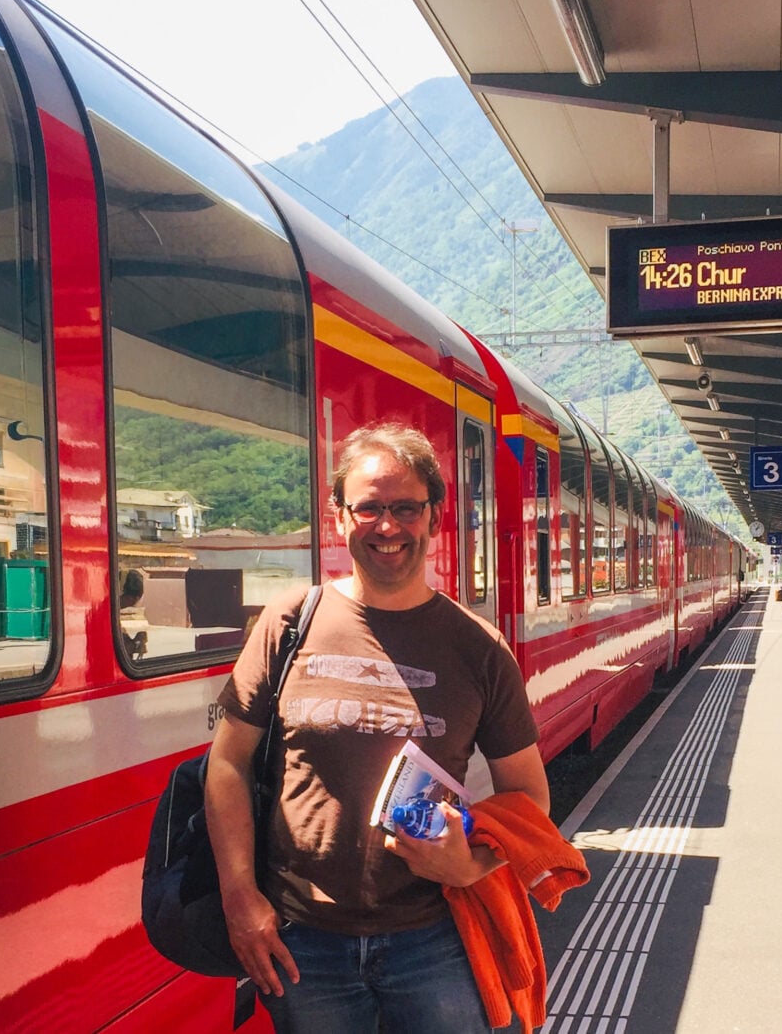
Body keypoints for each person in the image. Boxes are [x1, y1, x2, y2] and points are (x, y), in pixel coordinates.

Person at [204, 423, 550, 1033]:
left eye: (405, 508)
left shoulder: (480, 648)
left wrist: (470, 867)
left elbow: (529, 795)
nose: (387, 526)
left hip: (436, 939)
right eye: (368, 507)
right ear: (340, 516)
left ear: (434, 518)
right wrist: (239, 897)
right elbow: (227, 763)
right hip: (304, 941)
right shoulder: (288, 622)